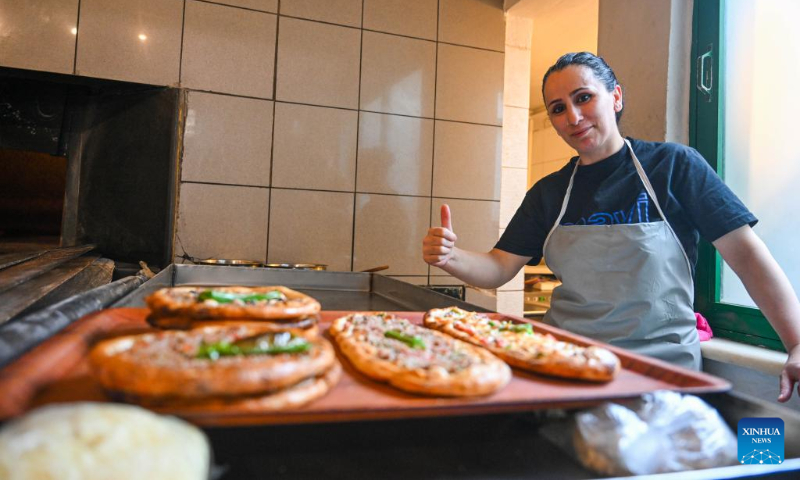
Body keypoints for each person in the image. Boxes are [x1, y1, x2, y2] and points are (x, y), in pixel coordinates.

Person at [422, 52, 800, 402]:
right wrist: (452, 258)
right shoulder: (549, 193)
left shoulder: (674, 167)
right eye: (558, 109)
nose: (572, 117)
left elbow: (747, 257)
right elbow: (499, 267)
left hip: (662, 372)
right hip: (566, 362)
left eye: (583, 97)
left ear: (615, 97)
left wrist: (796, 343)